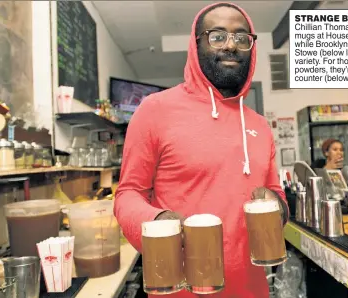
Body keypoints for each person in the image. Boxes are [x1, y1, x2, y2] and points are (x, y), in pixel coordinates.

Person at [114, 3, 289, 298]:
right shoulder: (155, 110)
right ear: (196, 45)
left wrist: (279, 205)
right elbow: (128, 194)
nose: (231, 45)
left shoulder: (259, 124)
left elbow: (274, 193)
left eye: (241, 37)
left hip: (252, 289)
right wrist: (156, 220)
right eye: (217, 36)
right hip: (179, 290)